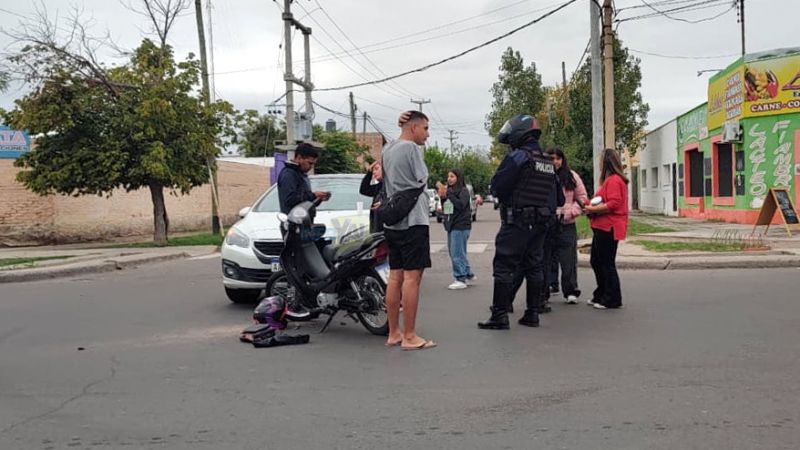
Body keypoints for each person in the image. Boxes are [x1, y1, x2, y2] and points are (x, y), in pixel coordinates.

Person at [478, 114, 563, 330]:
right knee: (534, 266)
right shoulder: (546, 161)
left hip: (517, 221)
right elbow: (559, 198)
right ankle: (532, 314)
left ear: (519, 134)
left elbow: (497, 186)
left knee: (504, 266)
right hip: (541, 223)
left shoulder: (518, 157)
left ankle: (499, 316)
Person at [383, 110, 436, 350]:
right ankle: (410, 336)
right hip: (414, 220)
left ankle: (394, 332)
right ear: (413, 127)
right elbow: (421, 179)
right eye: (425, 128)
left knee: (395, 276)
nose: (427, 134)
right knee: (413, 278)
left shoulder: (387, 149)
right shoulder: (412, 149)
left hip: (393, 220)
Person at [583, 148, 629, 310]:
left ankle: (612, 298)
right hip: (602, 226)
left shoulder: (614, 180)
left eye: (601, 159)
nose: (599, 162)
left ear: (607, 161)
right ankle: (601, 293)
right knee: (596, 260)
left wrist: (592, 210)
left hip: (608, 227)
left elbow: (614, 203)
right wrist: (588, 205)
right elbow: (601, 199)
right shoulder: (610, 180)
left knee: (605, 263)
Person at [551, 147, 588, 304]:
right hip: (547, 223)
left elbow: (582, 197)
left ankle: (571, 291)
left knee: (568, 260)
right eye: (552, 158)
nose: (555, 162)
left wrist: (571, 212)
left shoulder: (572, 176)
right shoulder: (543, 175)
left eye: (558, 158)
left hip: (567, 223)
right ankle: (546, 288)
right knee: (545, 258)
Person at [437, 169, 475, 290]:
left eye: (452, 176)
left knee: (456, 253)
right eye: (448, 176)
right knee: (456, 251)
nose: (449, 179)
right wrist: (443, 198)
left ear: (458, 178)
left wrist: (449, 194)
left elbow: (460, 205)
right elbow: (447, 209)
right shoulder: (450, 192)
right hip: (452, 225)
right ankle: (467, 273)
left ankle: (460, 278)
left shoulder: (463, 191)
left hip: (461, 225)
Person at [277, 142, 331, 214]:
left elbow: (305, 203)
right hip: (293, 222)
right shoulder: (288, 174)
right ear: (299, 158)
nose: (311, 167)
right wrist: (313, 195)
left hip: (304, 220)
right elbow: (289, 200)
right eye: (310, 163)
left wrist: (318, 198)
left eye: (313, 164)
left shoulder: (300, 174)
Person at [359, 161, 384, 234]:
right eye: (373, 170)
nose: (374, 172)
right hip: (376, 229)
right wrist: (369, 172)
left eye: (376, 169)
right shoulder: (378, 186)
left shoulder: (391, 186)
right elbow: (364, 190)